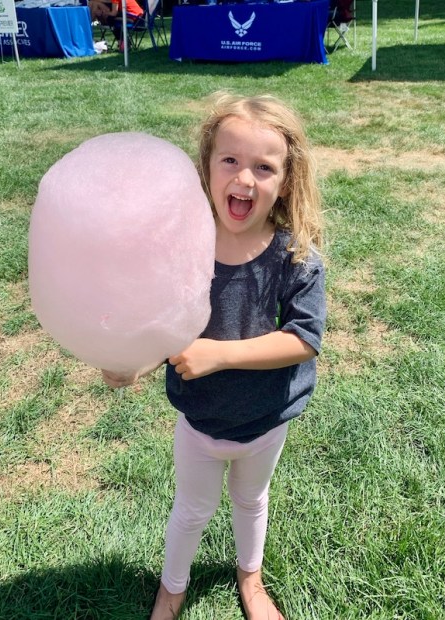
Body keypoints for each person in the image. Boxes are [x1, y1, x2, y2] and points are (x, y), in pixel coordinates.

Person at [102, 92, 326, 620]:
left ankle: (251, 579)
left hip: (266, 421)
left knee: (252, 503)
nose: (244, 179)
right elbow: (166, 333)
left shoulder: (296, 256)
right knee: (191, 512)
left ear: (286, 181)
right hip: (199, 425)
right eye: (230, 160)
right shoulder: (184, 249)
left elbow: (303, 339)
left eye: (263, 167)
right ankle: (172, 590)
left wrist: (220, 355)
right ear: (205, 168)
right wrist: (132, 364)